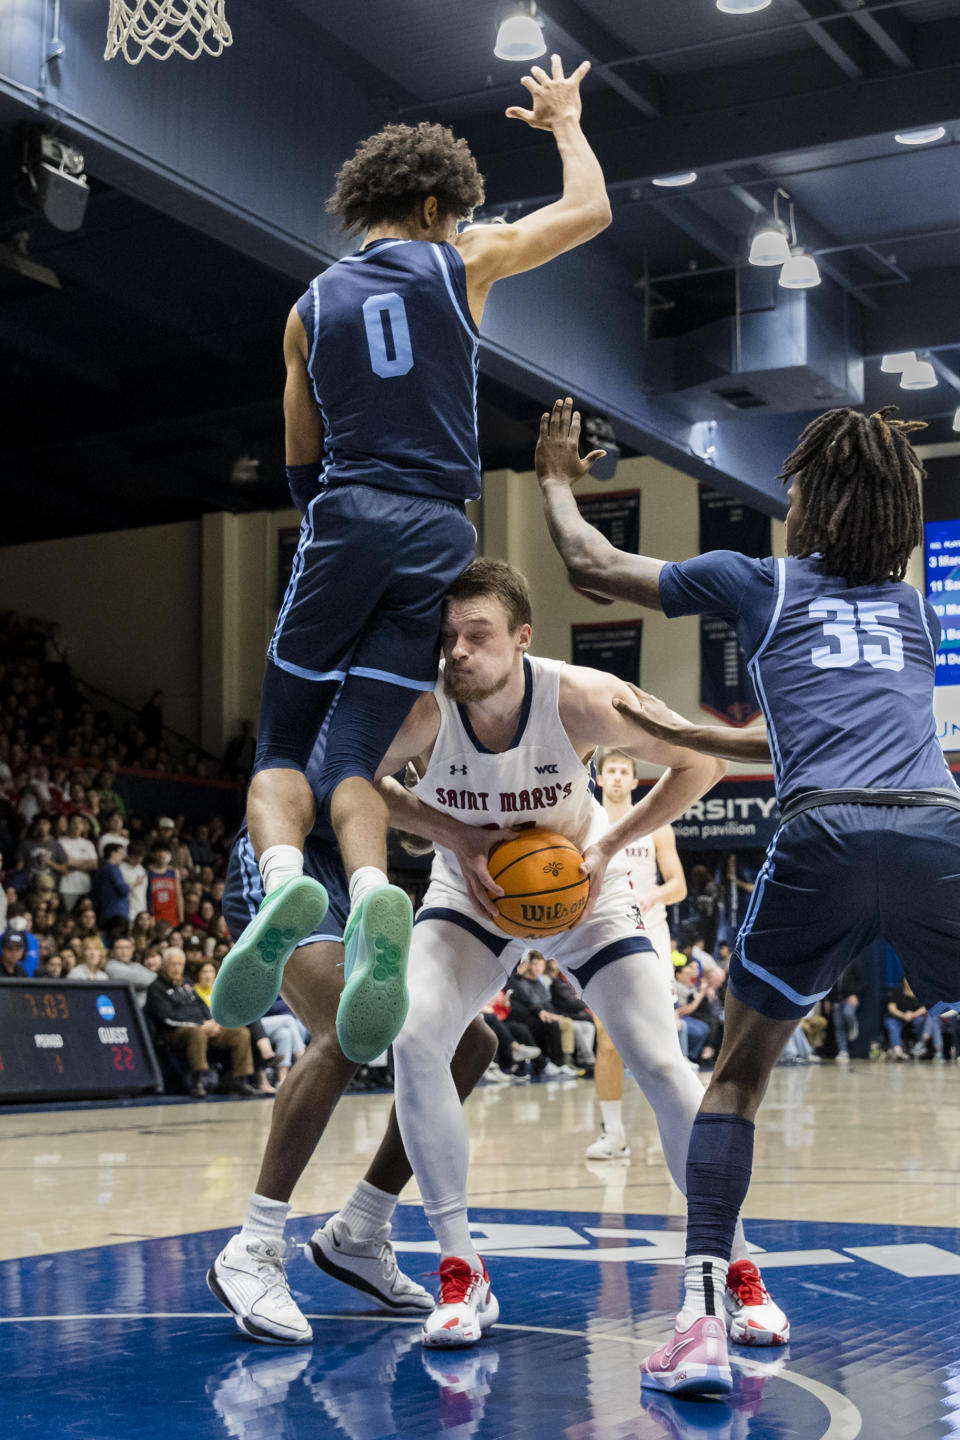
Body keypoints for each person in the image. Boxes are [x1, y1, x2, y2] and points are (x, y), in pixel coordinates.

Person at [535, 396, 960, 1396]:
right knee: (925, 974)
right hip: (936, 827)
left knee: (732, 1080)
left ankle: (700, 1321)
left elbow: (595, 565)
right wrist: (706, 742)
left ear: (815, 504)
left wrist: (554, 478)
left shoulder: (759, 582)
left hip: (822, 835)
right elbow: (840, 735)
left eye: (799, 488)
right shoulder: (914, 613)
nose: (792, 503)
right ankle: (929, 983)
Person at [212, 55, 612, 1070]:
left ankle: (285, 874)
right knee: (354, 756)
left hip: (347, 515)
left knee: (280, 751)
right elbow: (590, 211)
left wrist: (336, 540)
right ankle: (375, 893)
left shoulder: (307, 310)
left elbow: (300, 458)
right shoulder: (464, 259)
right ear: (438, 206)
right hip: (441, 529)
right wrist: (564, 121)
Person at [370, 557, 786, 1350]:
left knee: (664, 1066)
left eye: (477, 636)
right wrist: (452, 836)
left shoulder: (583, 698)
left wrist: (609, 848)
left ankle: (734, 1264)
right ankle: (461, 1269)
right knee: (416, 1035)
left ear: (522, 640)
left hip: (585, 892)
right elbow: (352, 781)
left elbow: (705, 761)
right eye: (448, 636)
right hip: (473, 895)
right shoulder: (424, 712)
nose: (457, 651)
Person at [207, 761, 497, 1345]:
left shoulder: (440, 708)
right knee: (343, 1030)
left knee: (471, 1042)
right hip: (290, 852)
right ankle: (253, 1245)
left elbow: (411, 830)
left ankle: (360, 1230)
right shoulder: (367, 685)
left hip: (354, 873)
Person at [587, 748, 687, 1161]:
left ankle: (680, 1128)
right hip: (603, 935)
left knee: (663, 1040)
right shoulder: (583, 826)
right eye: (609, 769)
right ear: (599, 778)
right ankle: (613, 1133)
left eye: (623, 771)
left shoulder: (656, 826)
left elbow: (679, 886)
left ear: (633, 781)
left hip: (651, 937)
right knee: (606, 1040)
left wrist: (655, 894)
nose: (615, 777)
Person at [146, 947, 258, 1099]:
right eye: (173, 964)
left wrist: (213, 1022)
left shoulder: (186, 982)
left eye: (180, 964)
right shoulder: (156, 988)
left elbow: (201, 1005)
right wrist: (200, 1024)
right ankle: (197, 1081)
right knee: (197, 1033)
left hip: (203, 1027)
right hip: (175, 1033)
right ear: (164, 965)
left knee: (241, 1032)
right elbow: (167, 1018)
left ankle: (240, 1080)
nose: (177, 968)